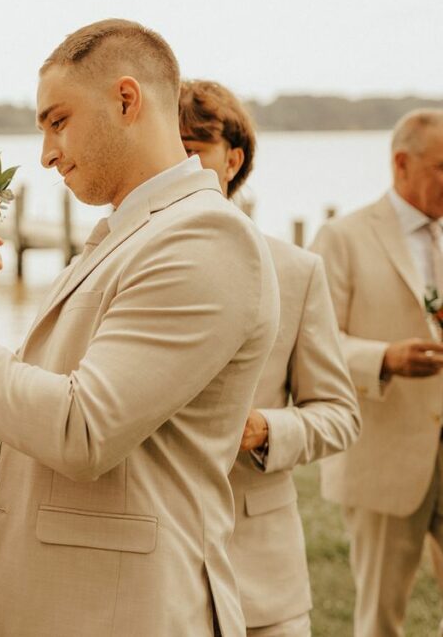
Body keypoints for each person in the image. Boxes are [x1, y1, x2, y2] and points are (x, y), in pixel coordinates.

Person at [0, 18, 280, 636]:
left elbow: (82, 428)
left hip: (125, 613)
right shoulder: (130, 231)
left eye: (58, 121)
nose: (46, 153)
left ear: (126, 99)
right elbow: (43, 390)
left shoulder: (203, 237)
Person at [179, 79, 361, 636]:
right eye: (170, 151)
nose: (178, 168)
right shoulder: (117, 266)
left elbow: (339, 414)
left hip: (260, 567)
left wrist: (262, 430)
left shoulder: (297, 272)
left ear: (232, 160)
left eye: (194, 151)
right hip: (153, 565)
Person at [310, 108, 443, 637]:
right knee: (380, 620)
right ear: (401, 164)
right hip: (385, 458)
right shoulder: (342, 237)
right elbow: (316, 345)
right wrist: (383, 359)